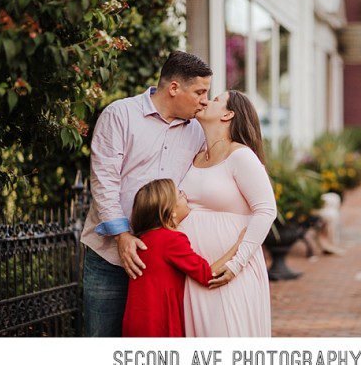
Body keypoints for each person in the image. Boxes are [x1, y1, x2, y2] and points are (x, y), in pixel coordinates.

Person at [81, 51, 239, 337]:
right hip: (109, 256)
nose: (205, 101)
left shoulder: (197, 131)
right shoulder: (120, 115)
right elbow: (104, 180)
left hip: (161, 261)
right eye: (200, 92)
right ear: (174, 88)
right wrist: (122, 236)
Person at [178, 91, 277, 337]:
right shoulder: (196, 156)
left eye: (215, 100)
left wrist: (235, 264)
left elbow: (266, 210)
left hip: (232, 273)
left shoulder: (241, 156)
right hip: (195, 275)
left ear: (228, 114)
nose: (204, 101)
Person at [121, 179, 243, 337]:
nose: (185, 195)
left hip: (135, 322)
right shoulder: (171, 240)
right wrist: (239, 245)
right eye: (179, 194)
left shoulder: (142, 239)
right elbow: (207, 275)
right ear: (170, 210)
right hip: (159, 325)